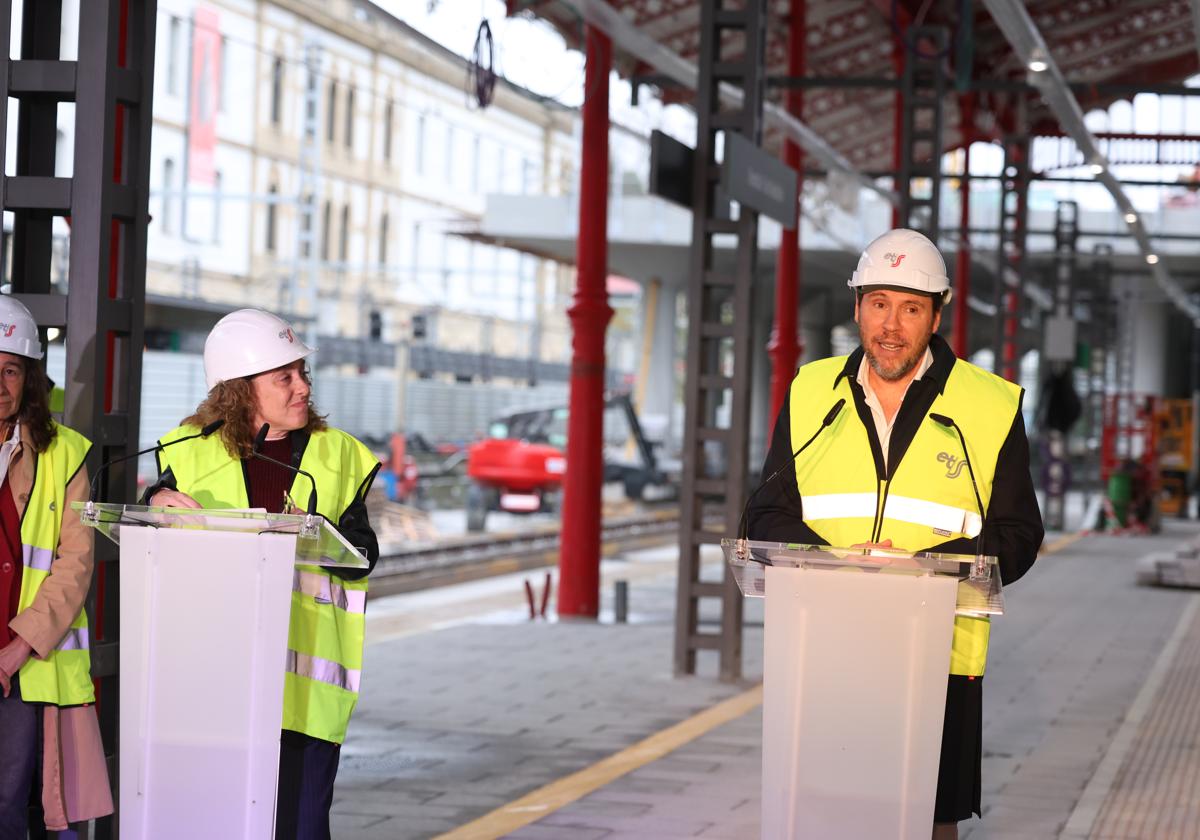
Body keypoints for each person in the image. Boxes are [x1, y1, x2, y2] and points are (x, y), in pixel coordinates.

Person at [747, 228, 1044, 839]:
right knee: (826, 806)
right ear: (856, 306)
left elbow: (1018, 533)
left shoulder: (990, 406)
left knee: (930, 819)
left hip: (937, 649)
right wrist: (834, 560)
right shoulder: (811, 392)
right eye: (878, 303)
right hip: (825, 642)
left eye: (911, 308)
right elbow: (765, 514)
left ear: (937, 314)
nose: (891, 325)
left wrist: (922, 570)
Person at [144, 308, 381, 840]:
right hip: (217, 686)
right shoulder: (189, 451)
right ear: (239, 390)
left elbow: (364, 554)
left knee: (299, 827)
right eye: (285, 377)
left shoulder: (337, 454)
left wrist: (319, 534)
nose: (302, 388)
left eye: (302, 374)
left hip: (304, 695)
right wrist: (155, 497)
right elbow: (147, 515)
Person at [0, 296, 112, 836]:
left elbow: (75, 563)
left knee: (9, 798)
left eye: (11, 369)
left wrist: (21, 645)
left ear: (30, 379)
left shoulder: (64, 454)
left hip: (22, 662)